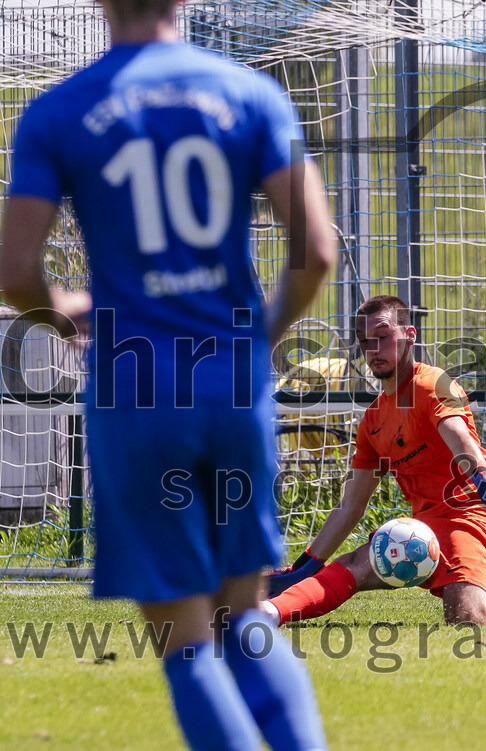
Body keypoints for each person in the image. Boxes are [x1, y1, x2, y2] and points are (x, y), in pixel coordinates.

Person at [0, 2, 335, 749]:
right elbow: (315, 251)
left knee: (185, 632)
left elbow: (17, 271)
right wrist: (253, 342)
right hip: (232, 386)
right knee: (244, 619)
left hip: (136, 388)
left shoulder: (59, 111)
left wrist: (66, 314)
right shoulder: (250, 94)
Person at [263, 295, 486, 626]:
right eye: (365, 340)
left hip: (472, 519)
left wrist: (480, 474)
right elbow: (351, 506)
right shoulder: (373, 421)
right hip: (422, 531)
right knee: (352, 566)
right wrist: (306, 564)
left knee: (467, 618)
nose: (373, 348)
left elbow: (459, 436)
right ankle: (268, 613)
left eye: (383, 336)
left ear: (410, 335)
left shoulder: (434, 384)